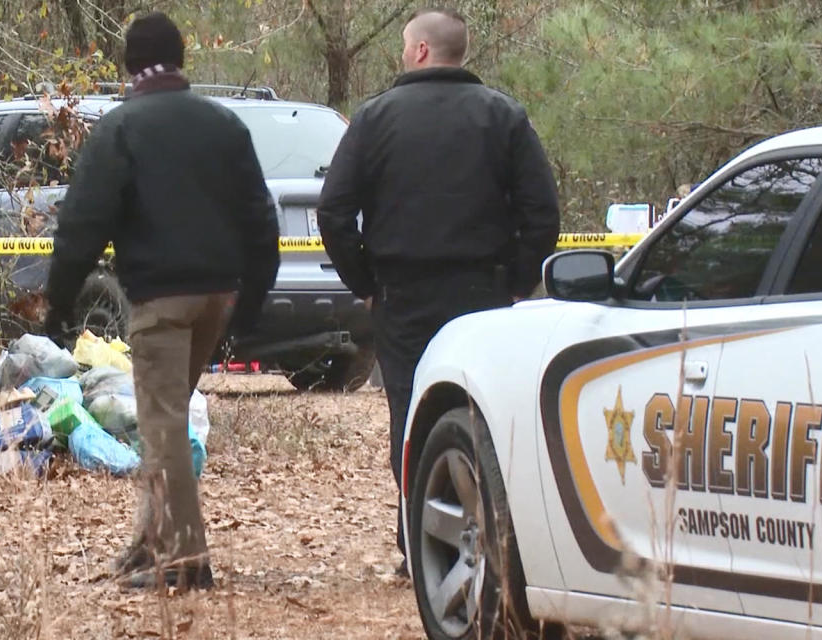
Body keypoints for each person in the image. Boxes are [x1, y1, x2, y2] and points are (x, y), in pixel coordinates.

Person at [317, 7, 560, 567]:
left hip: (401, 294)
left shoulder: (375, 119)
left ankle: (419, 543)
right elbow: (541, 214)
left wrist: (365, 281)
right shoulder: (504, 118)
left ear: (422, 51)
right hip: (482, 294)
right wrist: (518, 282)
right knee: (483, 410)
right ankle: (491, 535)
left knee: (410, 412)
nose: (404, 53)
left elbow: (333, 212)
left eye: (406, 45)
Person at [44, 12, 279, 590]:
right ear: (181, 60)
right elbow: (259, 218)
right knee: (164, 420)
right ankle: (150, 542)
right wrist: (252, 301)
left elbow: (83, 222)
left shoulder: (122, 129)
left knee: (163, 426)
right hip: (217, 299)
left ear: (129, 66)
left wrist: (58, 302)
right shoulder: (224, 125)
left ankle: (183, 559)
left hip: (160, 302)